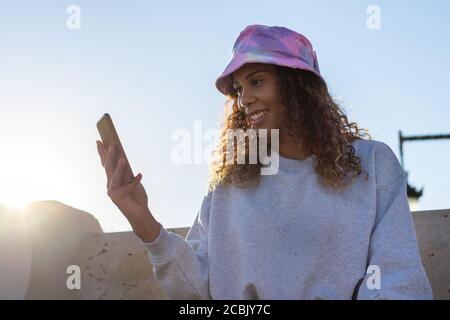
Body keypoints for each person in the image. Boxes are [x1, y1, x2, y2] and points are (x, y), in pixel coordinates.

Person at [96, 24, 433, 299]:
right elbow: (198, 293)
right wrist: (143, 221)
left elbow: (399, 281)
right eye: (239, 89)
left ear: (297, 86)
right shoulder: (229, 185)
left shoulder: (372, 164)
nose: (245, 99)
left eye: (256, 81)